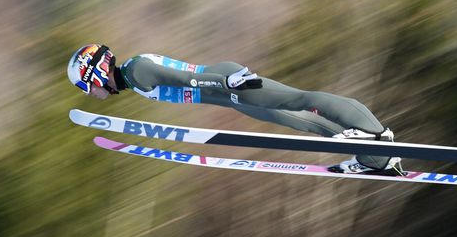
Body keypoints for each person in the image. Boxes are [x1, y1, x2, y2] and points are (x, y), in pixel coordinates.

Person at [67, 44, 404, 176]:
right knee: (305, 123)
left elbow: (188, 79)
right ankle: (375, 157)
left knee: (299, 99)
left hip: (224, 83)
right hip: (226, 92)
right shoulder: (133, 76)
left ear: (95, 72)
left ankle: (375, 134)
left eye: (86, 85)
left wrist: (228, 84)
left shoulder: (137, 71)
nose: (92, 94)